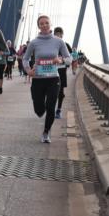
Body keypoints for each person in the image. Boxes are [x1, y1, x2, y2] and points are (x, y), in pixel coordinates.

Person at [22, 15, 71, 143]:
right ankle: (41, 111)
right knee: (39, 110)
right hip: (38, 79)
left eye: (46, 23)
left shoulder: (58, 41)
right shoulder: (34, 42)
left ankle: (46, 132)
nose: (44, 25)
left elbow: (69, 58)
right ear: (38, 26)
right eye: (41, 23)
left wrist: (60, 60)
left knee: (50, 106)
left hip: (53, 79)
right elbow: (25, 58)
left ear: (50, 24)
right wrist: (28, 70)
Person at [53, 26, 75, 119]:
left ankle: (58, 110)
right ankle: (51, 108)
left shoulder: (66, 45)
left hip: (62, 71)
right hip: (51, 71)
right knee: (51, 92)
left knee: (60, 92)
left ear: (62, 35)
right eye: (56, 34)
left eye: (59, 34)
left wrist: (64, 61)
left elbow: (71, 57)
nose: (58, 36)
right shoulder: (51, 44)